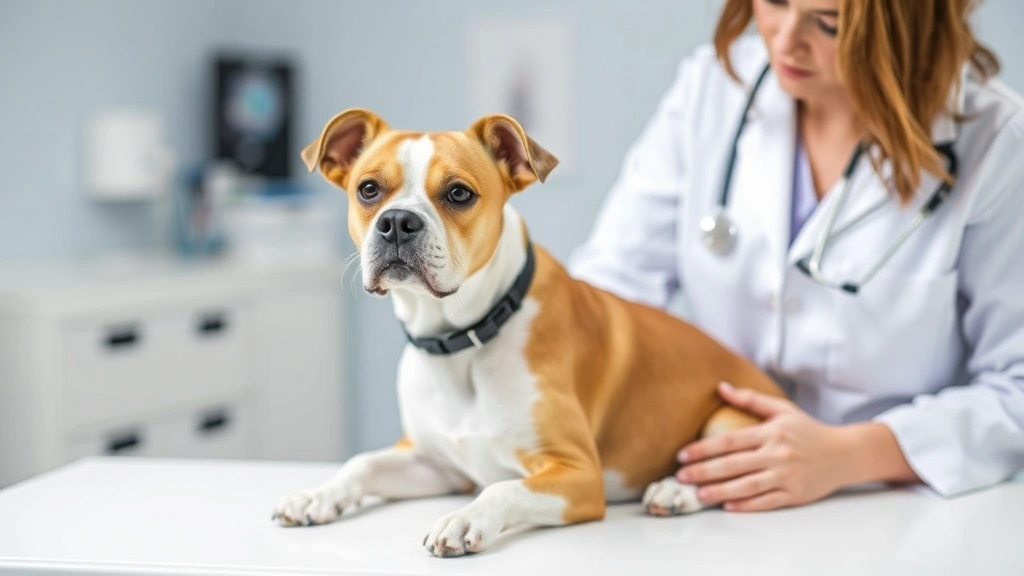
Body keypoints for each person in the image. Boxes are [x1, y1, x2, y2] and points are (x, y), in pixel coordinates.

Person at [568, 0, 1024, 512]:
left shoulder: (996, 142)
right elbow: (603, 301)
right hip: (708, 487)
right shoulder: (713, 89)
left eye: (827, 22)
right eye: (775, 3)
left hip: (891, 505)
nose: (785, 41)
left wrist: (847, 455)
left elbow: (1017, 389)